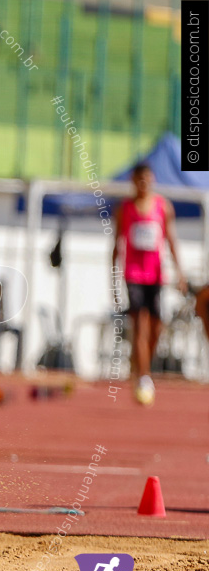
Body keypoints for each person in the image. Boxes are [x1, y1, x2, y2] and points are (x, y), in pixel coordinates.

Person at [111, 163, 186, 406]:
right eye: (138, 180)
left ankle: (140, 365)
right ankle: (144, 377)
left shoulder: (163, 207)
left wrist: (179, 272)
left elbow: (171, 240)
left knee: (157, 328)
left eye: (146, 179)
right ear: (133, 181)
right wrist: (113, 281)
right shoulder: (125, 209)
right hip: (133, 275)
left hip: (155, 275)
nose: (143, 184)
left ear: (152, 179)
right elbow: (115, 246)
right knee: (140, 326)